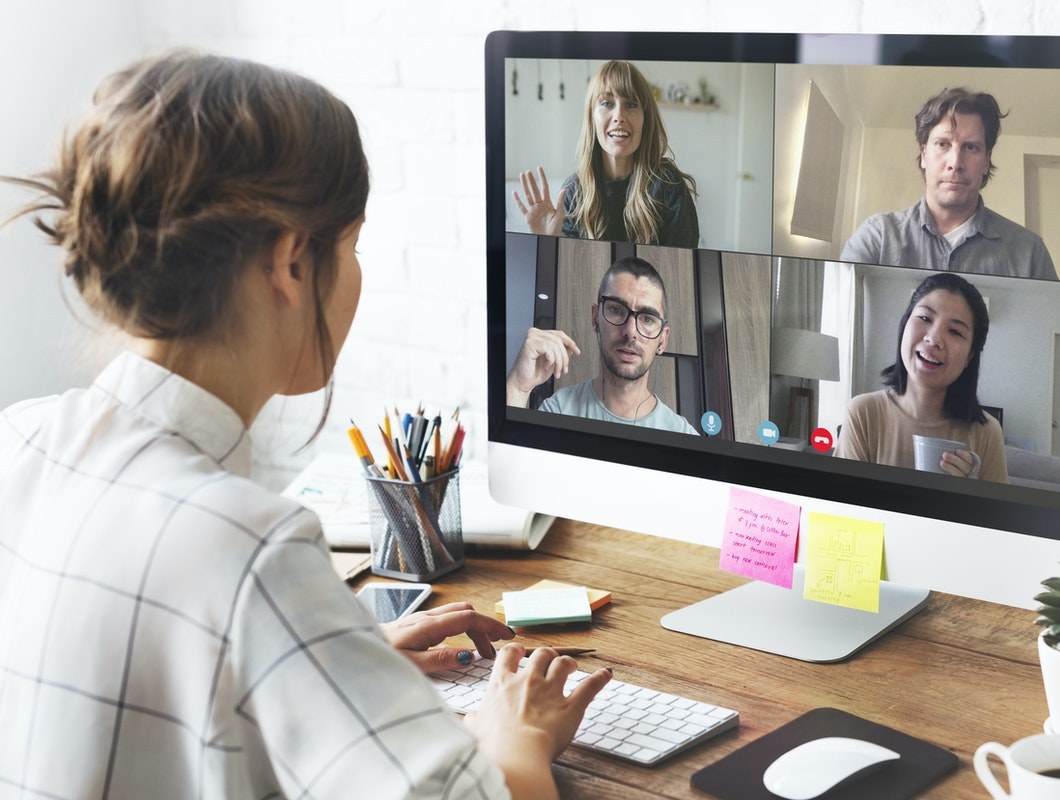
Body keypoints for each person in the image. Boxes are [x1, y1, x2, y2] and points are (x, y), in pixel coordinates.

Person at [0, 51, 610, 799]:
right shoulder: (250, 549)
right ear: (290, 260)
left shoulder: (17, 441)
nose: (356, 274)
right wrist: (515, 733)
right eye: (351, 246)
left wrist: (331, 656)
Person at [840, 87, 1058, 281]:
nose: (955, 163)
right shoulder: (878, 237)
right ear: (924, 154)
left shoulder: (1030, 253)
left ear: (987, 160)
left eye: (971, 147)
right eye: (943, 144)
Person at [836, 272, 1008, 482]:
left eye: (955, 331)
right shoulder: (863, 413)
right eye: (925, 318)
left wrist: (966, 494)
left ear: (970, 356)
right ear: (904, 325)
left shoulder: (987, 433)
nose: (934, 339)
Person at [512, 60, 699, 247]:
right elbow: (568, 274)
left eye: (631, 104)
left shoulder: (668, 185)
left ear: (645, 119)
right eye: (606, 103)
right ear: (592, 118)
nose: (619, 116)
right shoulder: (573, 192)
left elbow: (682, 271)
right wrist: (548, 244)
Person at [506, 256, 698, 434]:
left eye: (647, 319)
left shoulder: (683, 435)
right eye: (616, 310)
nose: (630, 331)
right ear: (596, 317)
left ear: (662, 340)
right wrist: (517, 388)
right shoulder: (558, 410)